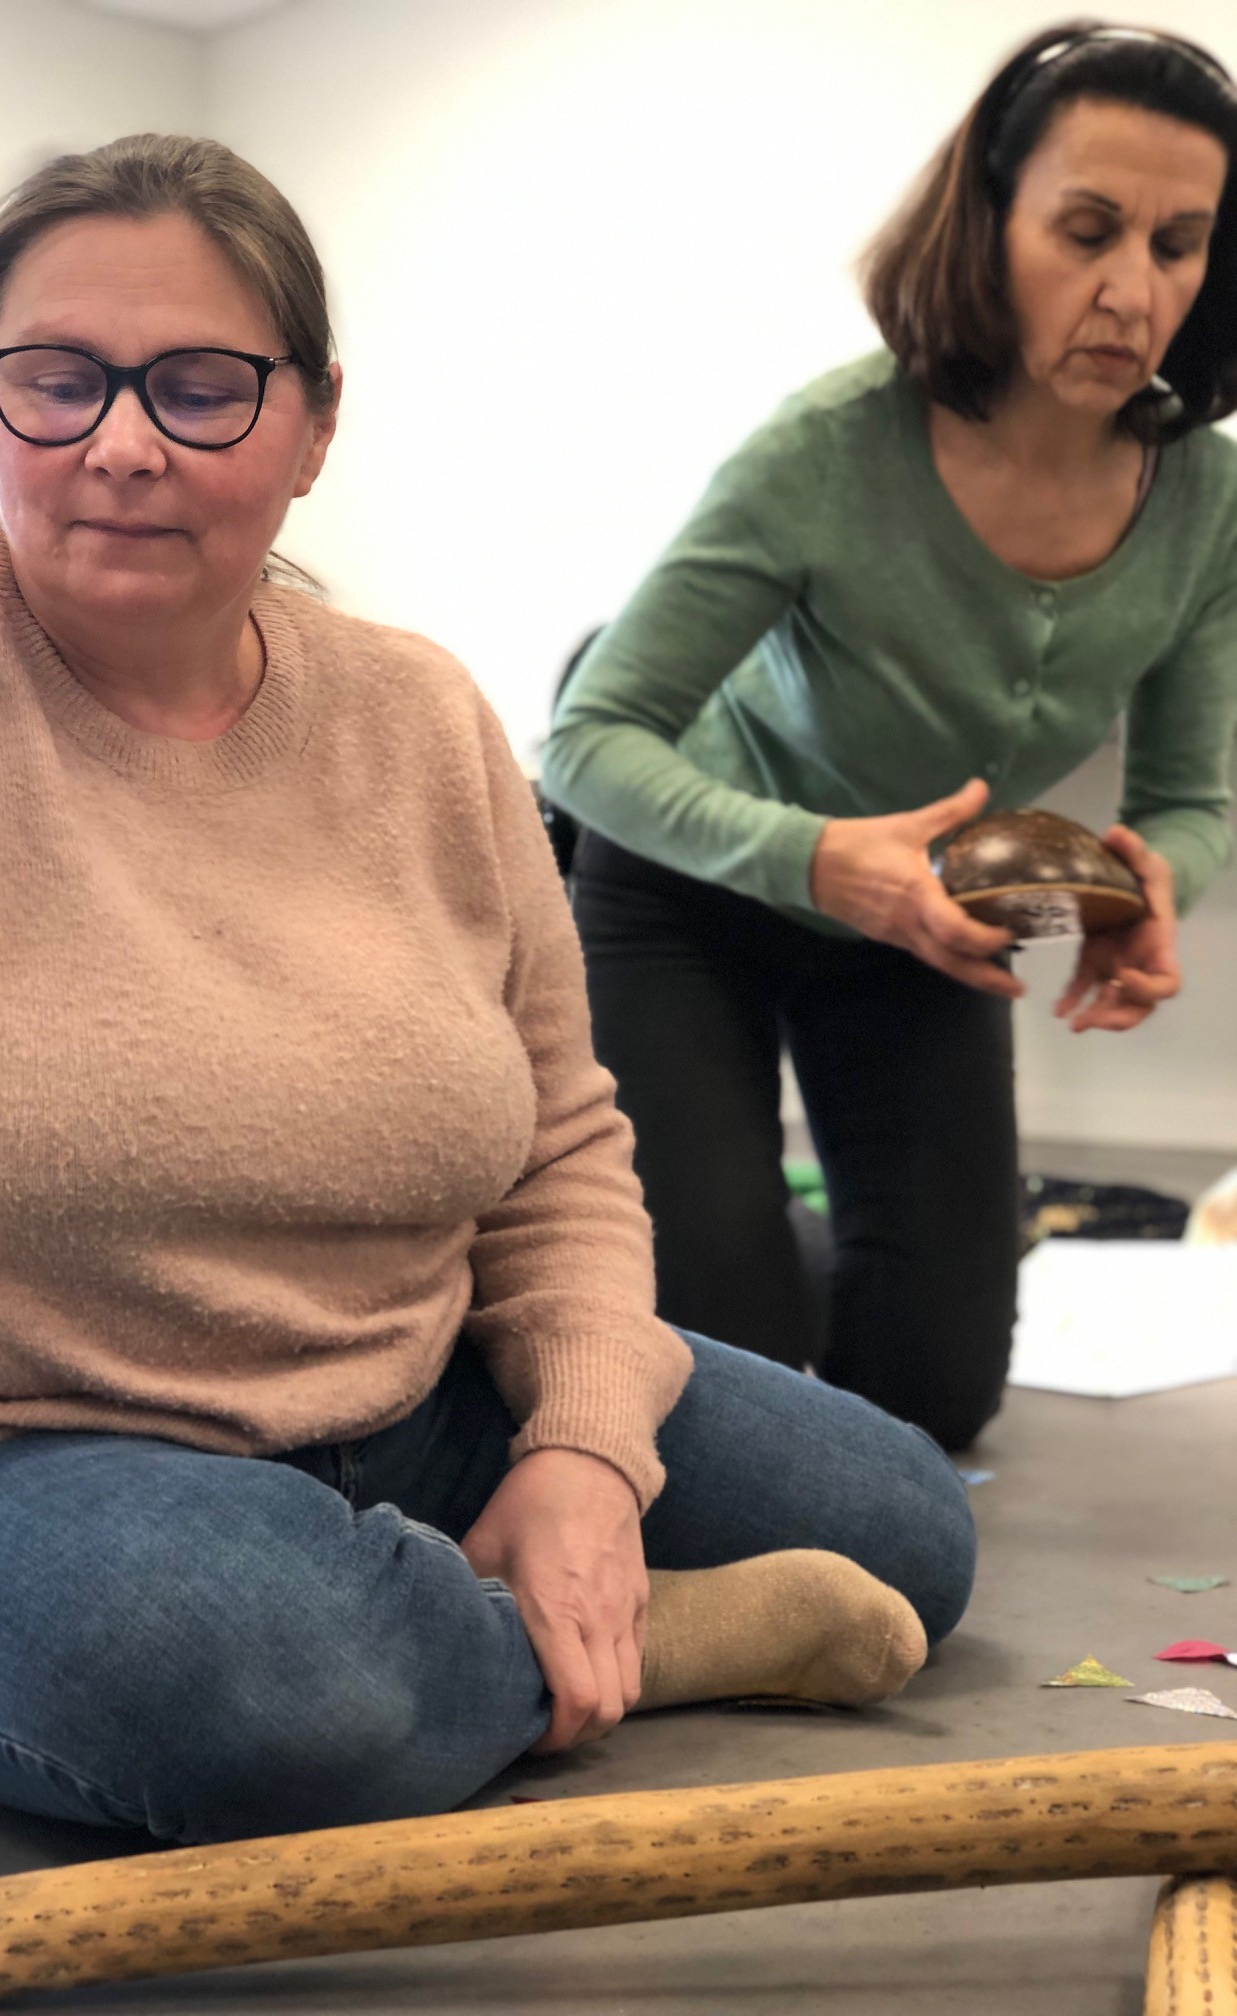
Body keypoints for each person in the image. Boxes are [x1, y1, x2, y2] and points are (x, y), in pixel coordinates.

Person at [0, 135, 974, 1849]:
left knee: (908, 1519)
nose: (122, 443)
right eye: (57, 381)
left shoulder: (417, 715)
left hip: (397, 1399)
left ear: (313, 424)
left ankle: (464, 1611)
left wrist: (585, 1458)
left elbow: (560, 1149)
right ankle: (579, 1648)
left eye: (203, 388)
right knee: (267, 1680)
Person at [541, 22, 1237, 1453]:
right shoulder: (826, 451)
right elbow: (588, 739)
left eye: (1180, 244)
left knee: (935, 1393)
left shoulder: (1204, 503)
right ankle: (641, 1263)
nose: (1133, 292)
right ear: (988, 229)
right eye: (1088, 229)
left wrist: (1149, 883)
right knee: (729, 1365)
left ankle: (755, 1256)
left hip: (923, 917)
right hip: (690, 890)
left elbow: (1187, 798)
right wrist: (817, 861)